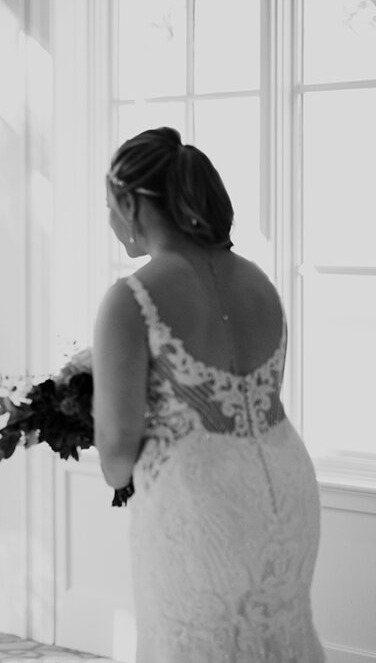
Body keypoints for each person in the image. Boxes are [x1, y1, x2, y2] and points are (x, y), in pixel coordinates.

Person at [92, 127, 324, 661]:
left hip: (198, 505)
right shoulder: (260, 282)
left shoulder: (131, 298)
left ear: (129, 202)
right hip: (286, 487)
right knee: (277, 633)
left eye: (109, 205)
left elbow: (117, 450)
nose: (109, 220)